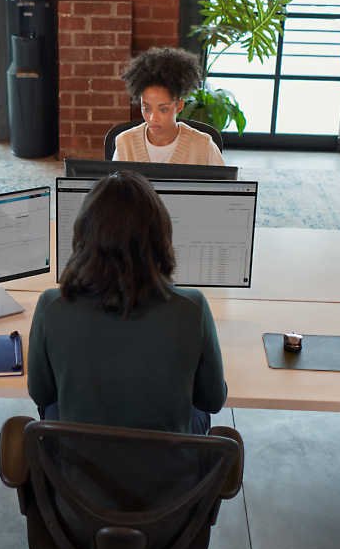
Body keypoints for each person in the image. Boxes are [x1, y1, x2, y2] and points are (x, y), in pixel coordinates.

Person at [28, 172, 225, 436]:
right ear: (160, 237)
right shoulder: (192, 308)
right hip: (171, 476)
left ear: (85, 234)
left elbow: (41, 394)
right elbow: (212, 401)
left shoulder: (51, 307)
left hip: (76, 475)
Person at [112, 46, 225, 166]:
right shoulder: (125, 143)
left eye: (163, 110)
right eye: (146, 109)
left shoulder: (203, 146)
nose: (153, 118)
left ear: (179, 106)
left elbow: (225, 184)